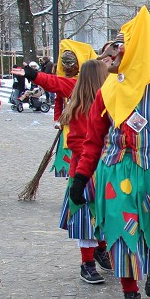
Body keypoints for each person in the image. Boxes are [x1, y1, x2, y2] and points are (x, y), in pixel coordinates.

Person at [70, 7, 150, 299]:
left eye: (123, 44)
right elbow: (93, 139)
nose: (115, 50)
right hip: (115, 173)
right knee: (121, 237)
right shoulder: (109, 89)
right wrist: (81, 176)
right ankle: (131, 297)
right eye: (116, 44)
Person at [58, 59, 111, 284]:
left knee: (102, 214)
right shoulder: (81, 108)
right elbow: (78, 142)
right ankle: (86, 263)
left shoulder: (107, 104)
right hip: (86, 172)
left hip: (102, 170)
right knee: (85, 219)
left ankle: (100, 248)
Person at [25, 40, 98, 178]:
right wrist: (57, 118)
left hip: (86, 134)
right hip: (69, 127)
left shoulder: (87, 83)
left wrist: (36, 76)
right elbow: (58, 96)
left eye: (70, 64)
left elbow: (55, 83)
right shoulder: (67, 81)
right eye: (64, 64)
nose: (67, 68)